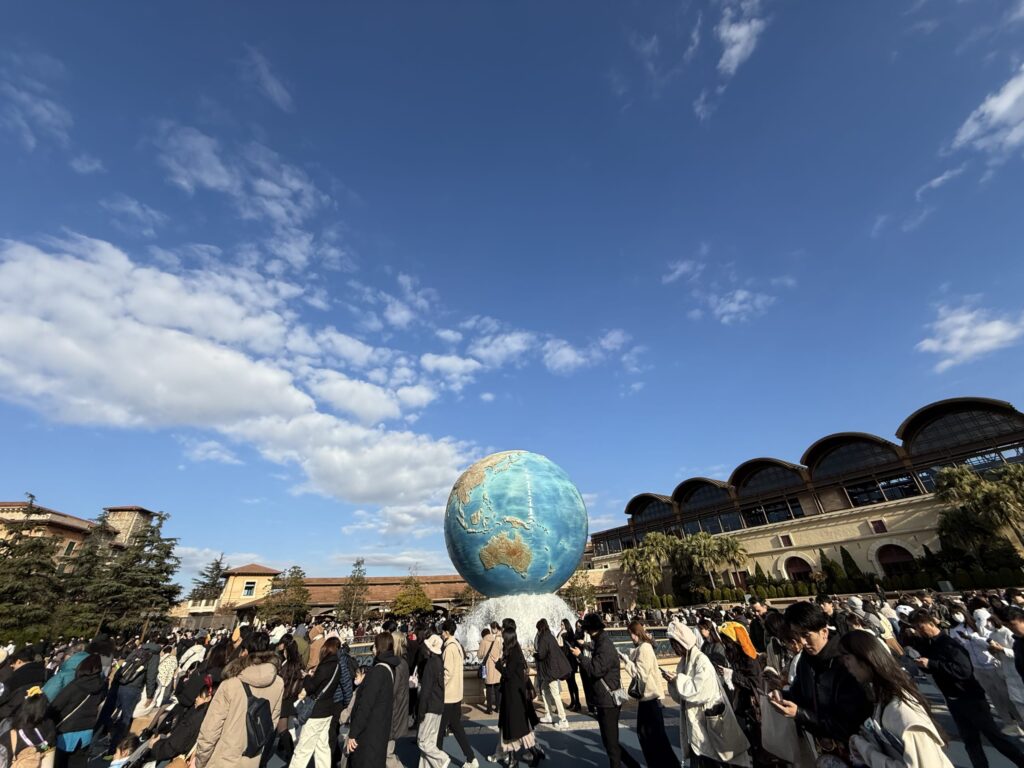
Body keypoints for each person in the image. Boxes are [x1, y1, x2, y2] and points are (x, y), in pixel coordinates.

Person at [906, 608, 1024, 768]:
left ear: (931, 623)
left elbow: (964, 670)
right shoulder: (928, 645)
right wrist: (924, 665)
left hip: (971, 698)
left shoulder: (949, 644)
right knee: (970, 742)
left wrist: (932, 664)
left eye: (921, 627)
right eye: (917, 628)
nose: (920, 631)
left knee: (995, 738)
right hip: (953, 699)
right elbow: (935, 668)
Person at [838, 629, 952, 768]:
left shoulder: (901, 710)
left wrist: (866, 750)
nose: (845, 664)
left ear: (865, 658)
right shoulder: (883, 701)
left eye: (847, 657)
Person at [770, 601, 871, 756]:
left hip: (855, 750)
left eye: (806, 635)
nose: (802, 642)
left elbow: (849, 724)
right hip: (824, 747)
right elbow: (800, 694)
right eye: (797, 635)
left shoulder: (846, 663)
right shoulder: (805, 659)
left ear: (824, 631)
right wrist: (782, 697)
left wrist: (800, 714)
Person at [665, 620, 750, 768]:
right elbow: (682, 696)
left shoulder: (701, 660)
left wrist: (678, 680)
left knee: (712, 758)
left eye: (675, 644)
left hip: (708, 720)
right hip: (696, 722)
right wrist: (674, 682)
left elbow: (701, 691)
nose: (673, 648)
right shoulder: (684, 662)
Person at [195, 631, 283, 768]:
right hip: (251, 758)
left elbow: (210, 731)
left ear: (245, 652)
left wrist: (200, 760)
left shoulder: (230, 684)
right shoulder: (278, 683)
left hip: (222, 759)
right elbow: (272, 722)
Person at [571, 613, 641, 768]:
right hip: (604, 699)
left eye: (587, 629)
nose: (586, 632)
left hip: (608, 700)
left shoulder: (604, 646)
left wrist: (581, 656)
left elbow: (595, 670)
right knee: (610, 741)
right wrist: (583, 647)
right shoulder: (600, 641)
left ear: (592, 629)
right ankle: (633, 765)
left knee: (611, 743)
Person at [624, 621, 674, 767]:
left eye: (631, 634)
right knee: (653, 737)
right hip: (648, 698)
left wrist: (627, 662)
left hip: (650, 697)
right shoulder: (644, 647)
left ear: (636, 633)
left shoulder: (645, 648)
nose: (631, 637)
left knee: (651, 736)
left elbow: (641, 674)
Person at [495, 627, 544, 768]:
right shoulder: (512, 651)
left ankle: (533, 753)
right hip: (511, 696)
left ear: (508, 638)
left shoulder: (514, 654)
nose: (502, 640)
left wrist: (499, 666)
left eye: (504, 637)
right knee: (510, 728)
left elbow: (508, 674)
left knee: (518, 728)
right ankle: (512, 759)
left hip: (514, 698)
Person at [346, 633, 396, 768]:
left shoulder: (377, 672)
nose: (372, 649)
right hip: (380, 729)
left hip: (369, 732)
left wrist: (354, 732)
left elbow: (365, 704)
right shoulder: (390, 669)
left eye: (374, 645)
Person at [49, 653, 106, 768]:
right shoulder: (101, 686)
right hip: (86, 732)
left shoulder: (75, 685)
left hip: (65, 732)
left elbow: (56, 706)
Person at [436, 620, 478, 768]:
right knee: (456, 727)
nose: (441, 634)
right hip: (456, 694)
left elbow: (447, 673)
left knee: (439, 730)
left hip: (448, 695)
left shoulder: (449, 648)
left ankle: (437, 760)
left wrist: (439, 687)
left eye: (442, 631)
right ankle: (471, 758)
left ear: (447, 632)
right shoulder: (458, 646)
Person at [109, 632, 162, 750]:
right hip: (133, 688)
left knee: (109, 712)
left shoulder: (139, 649)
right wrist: (150, 695)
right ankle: (113, 749)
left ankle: (99, 739)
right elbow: (151, 676)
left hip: (121, 683)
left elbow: (125, 664)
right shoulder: (155, 654)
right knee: (126, 718)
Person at [146, 678, 215, 765]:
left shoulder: (195, 719)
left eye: (200, 696)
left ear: (208, 698)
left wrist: (155, 747)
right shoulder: (205, 717)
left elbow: (174, 746)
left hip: (169, 756)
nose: (196, 699)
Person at [415, 635, 448, 768]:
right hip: (438, 706)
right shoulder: (439, 662)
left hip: (429, 707)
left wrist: (420, 711)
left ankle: (442, 759)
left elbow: (426, 690)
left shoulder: (430, 664)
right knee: (431, 741)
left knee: (423, 741)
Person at [379, 633, 410, 768]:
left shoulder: (397, 664)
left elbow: (392, 690)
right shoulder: (402, 662)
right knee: (387, 751)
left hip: (393, 712)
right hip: (397, 710)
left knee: (387, 752)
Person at [533, 619, 571, 729]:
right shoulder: (549, 636)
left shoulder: (544, 638)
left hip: (550, 671)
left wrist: (535, 654)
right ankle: (548, 714)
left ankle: (563, 719)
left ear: (540, 628)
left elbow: (541, 654)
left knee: (555, 694)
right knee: (544, 689)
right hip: (549, 671)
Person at [477, 626, 502, 715]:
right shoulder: (496, 640)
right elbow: (500, 652)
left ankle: (489, 709)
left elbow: (479, 655)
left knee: (488, 688)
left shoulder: (483, 642)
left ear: (483, 635)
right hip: (497, 668)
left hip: (488, 668)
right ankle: (498, 708)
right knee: (497, 688)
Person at [557, 619, 581, 712]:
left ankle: (577, 702)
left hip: (570, 661)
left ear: (566, 625)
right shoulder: (563, 633)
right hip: (566, 661)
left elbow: (559, 644)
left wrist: (561, 632)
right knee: (569, 682)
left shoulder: (567, 634)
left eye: (563, 624)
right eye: (561, 624)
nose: (561, 625)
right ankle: (572, 701)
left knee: (572, 682)